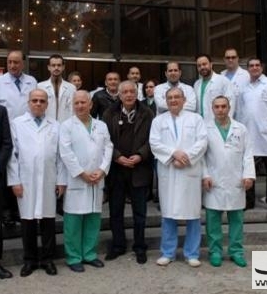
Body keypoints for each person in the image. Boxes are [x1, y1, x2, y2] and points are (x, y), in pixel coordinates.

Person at [8, 89, 66, 277]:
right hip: (26, 180)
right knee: (28, 221)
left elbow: (60, 156)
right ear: (29, 102)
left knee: (48, 221)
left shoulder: (55, 125)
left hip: (49, 179)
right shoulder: (17, 124)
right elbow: (12, 156)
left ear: (47, 104)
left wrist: (61, 180)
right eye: (34, 100)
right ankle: (30, 260)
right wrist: (14, 181)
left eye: (42, 101)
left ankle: (48, 260)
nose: (38, 103)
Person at [149, 87, 208, 267]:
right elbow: (154, 143)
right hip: (169, 170)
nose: (173, 100)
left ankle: (192, 253)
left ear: (184, 100)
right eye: (170, 98)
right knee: (168, 213)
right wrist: (174, 153)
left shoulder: (196, 119)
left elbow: (202, 141)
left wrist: (186, 157)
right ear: (166, 101)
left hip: (189, 170)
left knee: (193, 214)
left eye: (177, 97)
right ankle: (168, 252)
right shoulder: (158, 120)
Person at [59, 90, 113, 273]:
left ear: (90, 104)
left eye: (83, 102)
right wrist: (81, 173)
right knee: (73, 221)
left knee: (93, 219)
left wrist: (102, 170)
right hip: (77, 180)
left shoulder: (101, 125)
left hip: (97, 179)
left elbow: (108, 147)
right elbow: (66, 153)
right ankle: (73, 257)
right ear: (72, 105)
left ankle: (89, 254)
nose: (80, 106)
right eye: (77, 103)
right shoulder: (66, 126)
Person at [102, 81, 153, 264]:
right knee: (116, 211)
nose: (129, 95)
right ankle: (118, 245)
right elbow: (104, 139)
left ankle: (140, 246)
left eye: (132, 91)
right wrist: (117, 157)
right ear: (120, 95)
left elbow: (152, 139)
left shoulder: (147, 113)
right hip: (117, 169)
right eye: (125, 92)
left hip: (139, 168)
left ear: (137, 93)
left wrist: (140, 155)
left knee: (140, 213)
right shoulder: (109, 113)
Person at [202, 96, 255, 268]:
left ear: (229, 108)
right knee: (213, 220)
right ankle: (215, 252)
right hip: (214, 180)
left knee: (236, 220)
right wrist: (205, 175)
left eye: (223, 106)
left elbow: (248, 154)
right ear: (212, 109)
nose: (220, 110)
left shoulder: (241, 129)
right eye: (217, 107)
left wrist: (248, 175)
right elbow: (201, 155)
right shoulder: (205, 129)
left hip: (235, 180)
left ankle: (236, 251)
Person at [0, 50, 37, 226]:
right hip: (4, 133)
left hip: (26, 132)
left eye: (16, 62)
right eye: (9, 62)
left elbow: (35, 105)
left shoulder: (32, 81)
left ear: (23, 63)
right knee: (5, 171)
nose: (12, 65)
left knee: (22, 170)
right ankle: (6, 211)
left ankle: (18, 209)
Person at [236, 58, 267, 217]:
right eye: (251, 66)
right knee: (249, 170)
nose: (254, 68)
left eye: (257, 65)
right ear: (248, 68)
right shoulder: (243, 86)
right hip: (249, 134)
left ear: (261, 67)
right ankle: (249, 201)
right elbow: (240, 110)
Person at [194, 54, 234, 121]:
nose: (202, 67)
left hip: (218, 122)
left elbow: (231, 103)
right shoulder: (196, 84)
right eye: (199, 66)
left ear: (211, 64)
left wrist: (227, 122)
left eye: (204, 64)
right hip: (201, 123)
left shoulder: (223, 80)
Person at [37, 54, 76, 122]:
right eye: (53, 65)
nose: (56, 68)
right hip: (46, 124)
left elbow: (73, 110)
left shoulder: (71, 88)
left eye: (59, 65)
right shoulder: (40, 87)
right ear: (49, 67)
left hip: (65, 125)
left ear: (63, 67)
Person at [220, 48, 250, 118]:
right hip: (224, 116)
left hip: (242, 116)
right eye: (228, 58)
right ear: (224, 59)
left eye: (233, 57)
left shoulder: (246, 75)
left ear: (237, 58)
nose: (230, 60)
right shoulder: (221, 75)